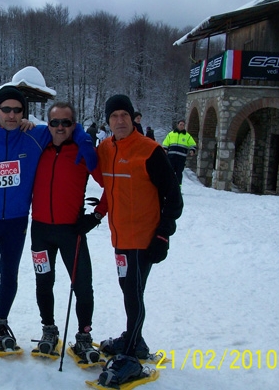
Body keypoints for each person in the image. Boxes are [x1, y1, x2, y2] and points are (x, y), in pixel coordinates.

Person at [0, 86, 97, 360]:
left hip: (16, 222)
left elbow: (66, 126)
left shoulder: (34, 136)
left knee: (9, 275)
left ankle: (0, 323)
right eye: (6, 109)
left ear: (24, 113)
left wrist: (83, 137)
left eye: (17, 110)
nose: (11, 115)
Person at [95, 94, 183, 387]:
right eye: (114, 116)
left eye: (124, 115)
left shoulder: (150, 151)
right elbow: (110, 186)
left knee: (133, 293)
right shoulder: (105, 148)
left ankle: (131, 356)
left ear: (133, 117)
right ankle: (136, 342)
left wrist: (163, 234)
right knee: (128, 288)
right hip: (120, 236)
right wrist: (96, 215)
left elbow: (174, 197)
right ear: (107, 121)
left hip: (144, 238)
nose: (119, 121)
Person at [31, 102, 107, 362]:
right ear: (48, 125)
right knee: (44, 282)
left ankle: (84, 336)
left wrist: (96, 216)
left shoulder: (83, 151)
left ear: (74, 125)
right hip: (40, 230)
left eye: (66, 122)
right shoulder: (38, 148)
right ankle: (49, 329)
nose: (60, 127)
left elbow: (111, 185)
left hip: (70, 232)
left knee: (83, 285)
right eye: (55, 122)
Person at [162, 119, 197, 186]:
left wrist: (192, 150)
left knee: (179, 173)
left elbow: (193, 144)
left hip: (181, 158)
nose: (182, 126)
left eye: (183, 125)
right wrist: (165, 149)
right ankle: (169, 187)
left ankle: (178, 188)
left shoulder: (187, 136)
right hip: (171, 157)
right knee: (170, 172)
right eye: (180, 124)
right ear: (178, 125)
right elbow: (165, 143)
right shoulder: (171, 134)